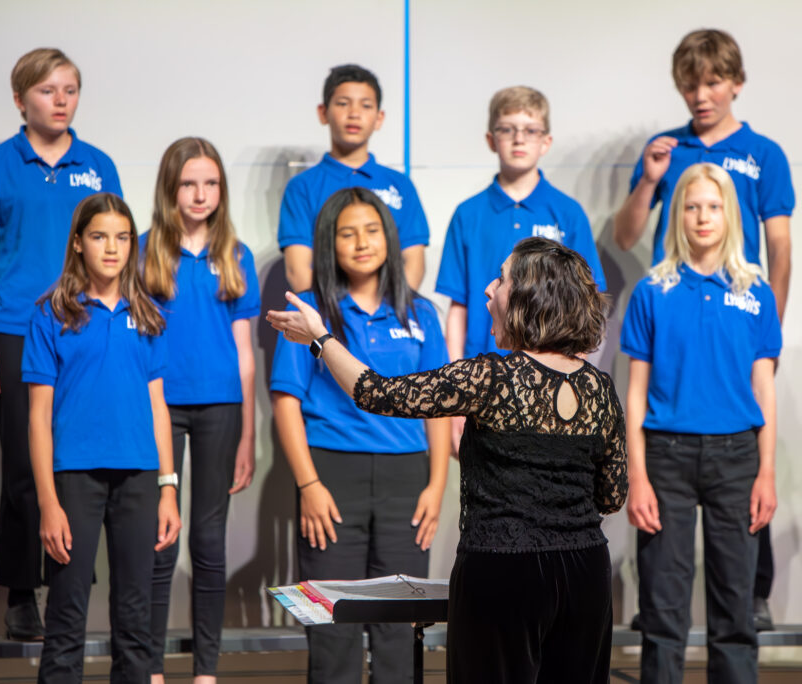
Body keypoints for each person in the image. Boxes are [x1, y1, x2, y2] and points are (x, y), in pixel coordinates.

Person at [269, 236, 627, 683]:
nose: (487, 290)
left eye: (500, 279)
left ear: (528, 298)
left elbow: (377, 392)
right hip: (585, 575)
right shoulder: (600, 388)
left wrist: (320, 338)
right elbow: (611, 497)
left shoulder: (489, 376)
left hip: (504, 575)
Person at [613, 28, 792, 631]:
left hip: (741, 330)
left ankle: (751, 595)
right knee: (672, 491)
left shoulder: (763, 152)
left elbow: (780, 244)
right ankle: (659, 606)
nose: (701, 94)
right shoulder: (668, 149)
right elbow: (626, 237)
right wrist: (647, 179)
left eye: (713, 82)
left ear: (735, 83)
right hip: (680, 332)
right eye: (691, 84)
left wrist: (768, 333)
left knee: (744, 469)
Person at [0, 47, 123, 640]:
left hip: (81, 325)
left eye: (71, 90)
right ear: (20, 99)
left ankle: (69, 581)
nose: (61, 101)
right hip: (13, 326)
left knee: (75, 461)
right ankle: (21, 590)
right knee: (22, 464)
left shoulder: (98, 165)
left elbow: (116, 244)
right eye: (48, 90)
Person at [270, 187, 450, 683]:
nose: (361, 242)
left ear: (390, 239)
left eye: (371, 231)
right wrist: (309, 485)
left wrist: (437, 486)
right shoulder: (309, 312)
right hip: (331, 476)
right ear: (330, 244)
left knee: (400, 624)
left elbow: (437, 406)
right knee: (331, 621)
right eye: (347, 233)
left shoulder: (421, 313)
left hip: (406, 481)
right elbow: (285, 402)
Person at [621, 163, 779, 682]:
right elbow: (637, 392)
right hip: (665, 459)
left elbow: (764, 389)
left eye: (713, 206)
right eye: (692, 206)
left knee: (735, 608)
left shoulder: (755, 293)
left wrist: (766, 472)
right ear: (678, 215)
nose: (703, 216)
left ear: (730, 213)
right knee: (663, 609)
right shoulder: (651, 292)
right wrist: (637, 477)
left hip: (737, 458)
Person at [23, 193, 180, 683]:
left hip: (138, 477)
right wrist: (48, 502)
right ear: (77, 243)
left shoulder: (148, 314)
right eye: (98, 236)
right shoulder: (51, 313)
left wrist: (169, 486)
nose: (112, 248)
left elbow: (158, 407)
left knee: (135, 621)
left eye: (122, 237)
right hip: (74, 479)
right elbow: (38, 416)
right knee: (66, 616)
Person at [140, 138, 260, 684]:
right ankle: (151, 667)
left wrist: (248, 435)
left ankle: (205, 671)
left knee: (208, 543)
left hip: (220, 408)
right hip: (160, 405)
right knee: (160, 541)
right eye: (189, 183)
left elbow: (245, 354)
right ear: (170, 187)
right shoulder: (144, 251)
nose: (200, 194)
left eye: (210, 183)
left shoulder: (236, 255)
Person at [435, 85, 607, 451]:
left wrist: (571, 379)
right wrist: (453, 402)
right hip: (483, 383)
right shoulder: (468, 214)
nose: (518, 139)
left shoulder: (568, 213)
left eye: (530, 130)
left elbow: (587, 304)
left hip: (551, 382)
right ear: (490, 138)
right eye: (507, 129)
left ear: (546, 141)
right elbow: (458, 310)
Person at [278, 64, 429, 292]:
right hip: (325, 320)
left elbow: (413, 263)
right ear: (323, 112)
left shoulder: (400, 185)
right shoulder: (302, 187)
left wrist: (382, 316)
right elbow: (298, 271)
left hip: (385, 320)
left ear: (379, 118)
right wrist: (339, 319)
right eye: (342, 103)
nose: (354, 114)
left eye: (366, 105)